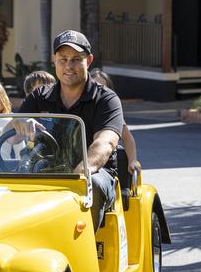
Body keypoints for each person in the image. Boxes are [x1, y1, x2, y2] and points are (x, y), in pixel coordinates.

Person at [13, 30, 125, 231]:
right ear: (54, 60)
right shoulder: (40, 95)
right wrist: (21, 121)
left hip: (93, 173)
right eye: (63, 59)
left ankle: (83, 248)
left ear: (88, 61)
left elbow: (105, 143)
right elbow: (10, 133)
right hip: (46, 168)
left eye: (76, 59)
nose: (68, 66)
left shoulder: (106, 99)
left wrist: (82, 172)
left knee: (95, 186)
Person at [90, 68, 138, 174]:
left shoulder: (110, 112)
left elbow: (128, 139)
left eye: (103, 87)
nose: (99, 90)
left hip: (104, 168)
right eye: (95, 86)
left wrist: (132, 161)